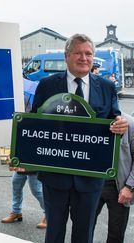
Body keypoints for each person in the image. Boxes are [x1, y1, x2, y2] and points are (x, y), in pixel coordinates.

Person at [31, 33, 128, 243]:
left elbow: (113, 117)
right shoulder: (47, 85)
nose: (84, 58)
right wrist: (24, 156)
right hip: (55, 175)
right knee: (54, 233)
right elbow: (33, 124)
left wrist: (120, 125)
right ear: (66, 56)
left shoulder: (106, 87)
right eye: (78, 53)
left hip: (90, 178)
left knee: (84, 234)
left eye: (88, 53)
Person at [93, 112, 134, 243]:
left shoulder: (129, 123)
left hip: (118, 185)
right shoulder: (87, 118)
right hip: (92, 183)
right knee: (83, 228)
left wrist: (130, 187)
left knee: (115, 235)